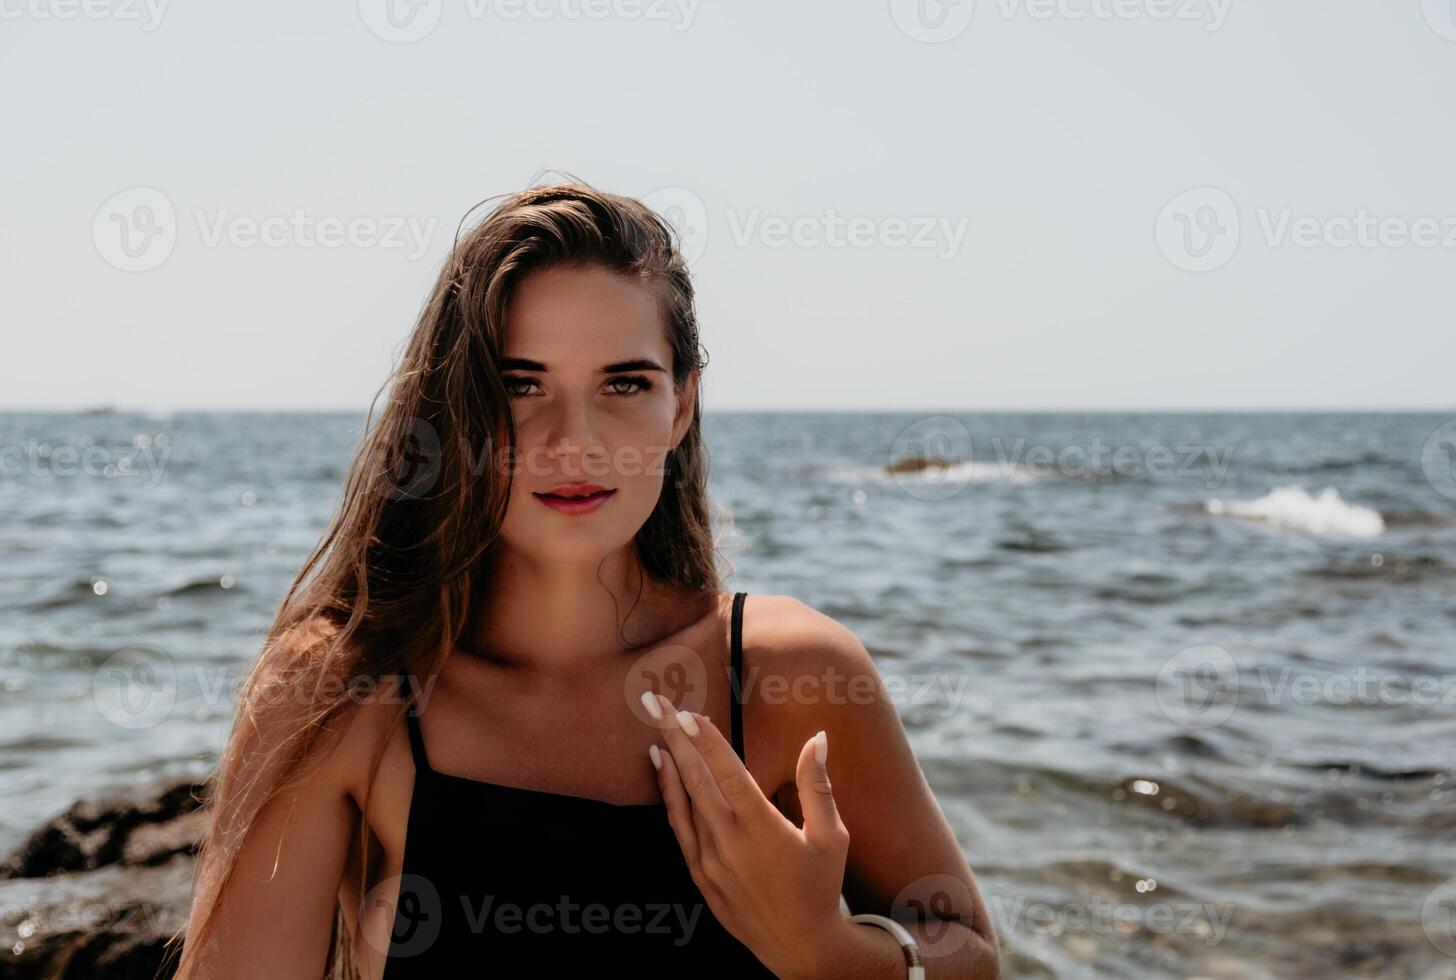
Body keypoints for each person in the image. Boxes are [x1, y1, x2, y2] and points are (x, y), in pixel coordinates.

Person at [165, 179, 1000, 979]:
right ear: (455, 407)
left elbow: (971, 952)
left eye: (625, 383)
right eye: (519, 383)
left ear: (681, 407)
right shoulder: (343, 691)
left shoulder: (792, 675)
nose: (575, 441)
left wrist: (830, 955)